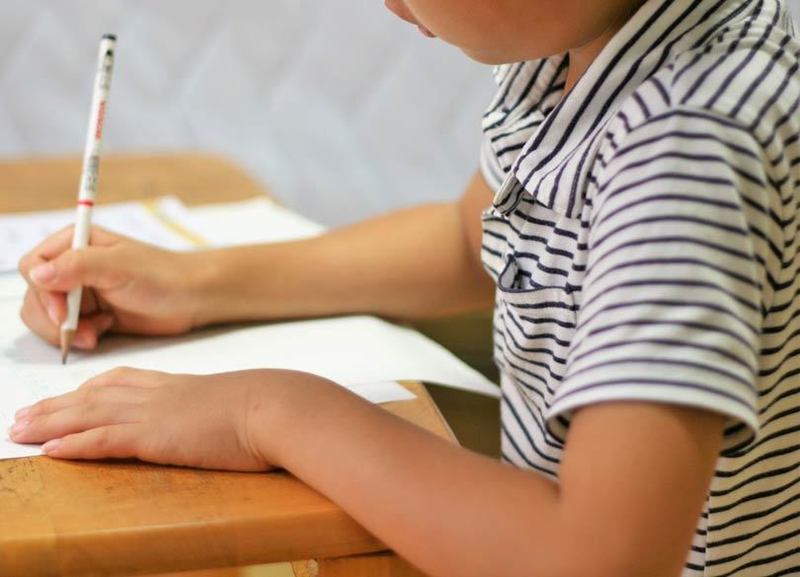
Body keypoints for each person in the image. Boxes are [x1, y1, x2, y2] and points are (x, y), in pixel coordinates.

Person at [10, 0, 800, 575]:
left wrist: (268, 410)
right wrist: (197, 282)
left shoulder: (685, 145)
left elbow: (595, 559)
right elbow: (472, 240)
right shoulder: (579, 42)